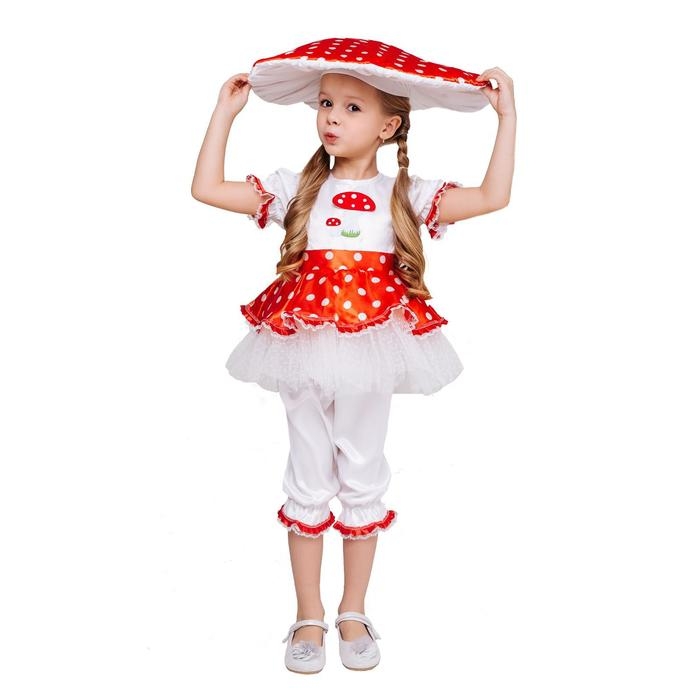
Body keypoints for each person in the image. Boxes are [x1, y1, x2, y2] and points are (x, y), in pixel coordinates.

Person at [192, 54, 516, 672]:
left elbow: (492, 196)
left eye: (351, 107)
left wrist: (507, 117)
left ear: (388, 127)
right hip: (303, 340)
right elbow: (207, 189)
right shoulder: (297, 188)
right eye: (324, 103)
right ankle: (307, 614)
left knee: (362, 466)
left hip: (372, 346)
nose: (331, 118)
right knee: (308, 471)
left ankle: (353, 609)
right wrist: (224, 114)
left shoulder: (404, 195)